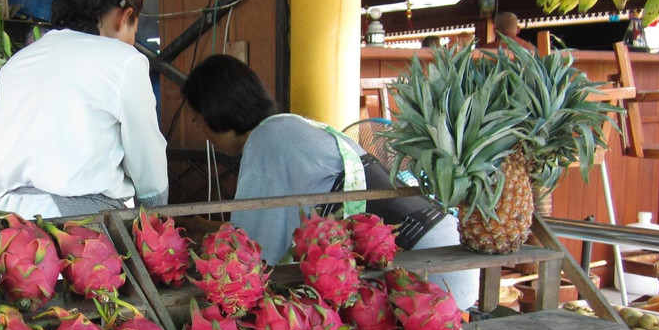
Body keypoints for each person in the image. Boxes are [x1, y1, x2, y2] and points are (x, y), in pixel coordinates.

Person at [179, 54, 478, 309]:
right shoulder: (293, 127)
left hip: (425, 275)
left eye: (196, 119)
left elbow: (252, 252)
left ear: (215, 111)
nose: (199, 129)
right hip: (448, 251)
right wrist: (200, 225)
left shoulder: (266, 141)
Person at [0, 0, 169, 219]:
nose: (132, 40)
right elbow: (148, 163)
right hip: (74, 236)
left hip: (2, 229)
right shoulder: (124, 60)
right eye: (132, 30)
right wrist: (156, 214)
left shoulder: (16, 62)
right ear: (124, 16)